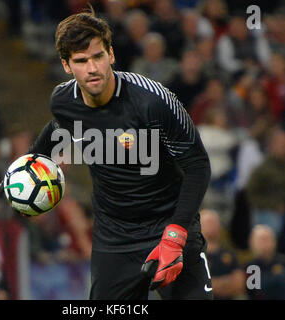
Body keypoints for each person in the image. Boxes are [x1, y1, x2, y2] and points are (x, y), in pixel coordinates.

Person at [23, 7, 212, 300]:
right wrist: (32, 160)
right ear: (66, 65)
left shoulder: (153, 101)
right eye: (81, 61)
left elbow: (198, 167)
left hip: (169, 228)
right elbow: (59, 124)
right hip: (114, 240)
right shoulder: (63, 101)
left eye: (98, 56)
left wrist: (175, 235)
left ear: (111, 54)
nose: (92, 68)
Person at [200, 209, 245, 299]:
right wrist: (227, 282)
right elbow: (197, 286)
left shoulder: (230, 255)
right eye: (209, 222)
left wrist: (214, 284)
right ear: (199, 226)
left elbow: (239, 285)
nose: (213, 225)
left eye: (215, 222)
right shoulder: (194, 256)